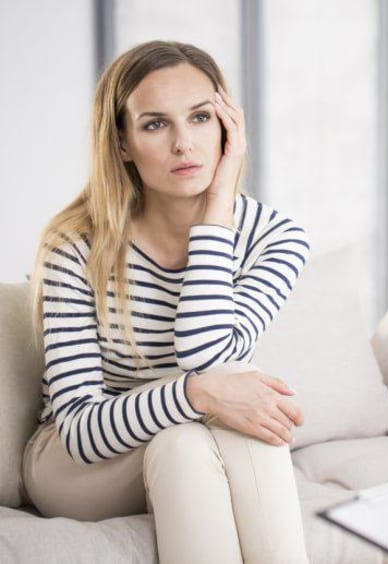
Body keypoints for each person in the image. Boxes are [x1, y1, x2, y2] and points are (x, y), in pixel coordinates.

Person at [24, 40, 311, 563]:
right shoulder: (76, 246)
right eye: (156, 124)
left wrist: (217, 209)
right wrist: (199, 395)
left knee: (189, 442)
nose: (185, 143)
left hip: (188, 442)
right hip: (79, 462)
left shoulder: (277, 238)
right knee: (209, 419)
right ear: (123, 144)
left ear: (229, 127)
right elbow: (83, 430)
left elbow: (211, 358)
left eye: (201, 117)